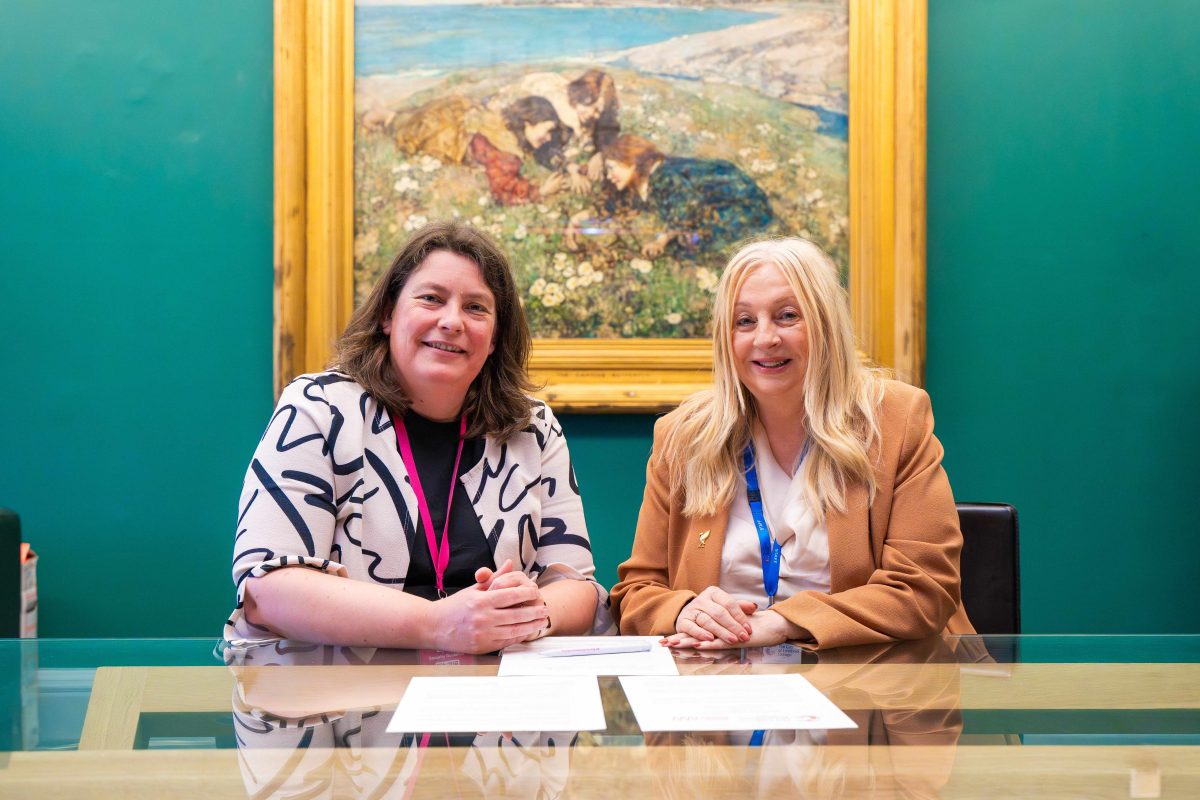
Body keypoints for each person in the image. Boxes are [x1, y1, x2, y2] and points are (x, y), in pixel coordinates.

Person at [227, 221, 610, 652]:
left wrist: (526, 611)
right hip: (334, 703)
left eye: (476, 308)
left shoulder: (531, 426)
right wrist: (438, 623)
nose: (452, 322)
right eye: (431, 298)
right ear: (389, 314)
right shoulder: (319, 408)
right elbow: (267, 588)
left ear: (495, 337)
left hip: (489, 704)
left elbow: (578, 587)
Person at [610, 238, 974, 650]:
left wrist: (783, 622)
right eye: (744, 321)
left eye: (786, 316)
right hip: (722, 690)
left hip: (872, 687)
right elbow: (635, 595)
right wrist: (683, 610)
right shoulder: (683, 437)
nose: (765, 338)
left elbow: (924, 591)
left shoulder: (894, 420)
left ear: (824, 324)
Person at [566, 134, 773, 258]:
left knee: (688, 244)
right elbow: (616, 204)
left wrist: (661, 241)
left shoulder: (664, 175)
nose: (609, 176)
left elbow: (689, 205)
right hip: (711, 204)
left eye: (612, 169)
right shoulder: (637, 180)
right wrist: (576, 219)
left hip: (742, 206)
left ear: (631, 161)